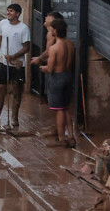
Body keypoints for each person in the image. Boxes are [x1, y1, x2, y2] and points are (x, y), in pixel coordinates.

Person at [0, 3, 31, 128]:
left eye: (11, 11)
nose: (8, 13)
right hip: (3, 63)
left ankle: (14, 118)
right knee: (0, 90)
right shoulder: (3, 24)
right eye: (8, 10)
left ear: (17, 14)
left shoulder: (23, 28)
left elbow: (27, 47)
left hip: (17, 65)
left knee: (16, 92)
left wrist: (14, 56)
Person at [40, 17, 76, 147]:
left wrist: (42, 67)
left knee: (59, 110)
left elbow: (50, 68)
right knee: (66, 107)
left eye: (52, 29)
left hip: (58, 78)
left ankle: (61, 138)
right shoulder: (70, 44)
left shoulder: (54, 48)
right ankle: (71, 136)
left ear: (55, 31)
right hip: (68, 76)